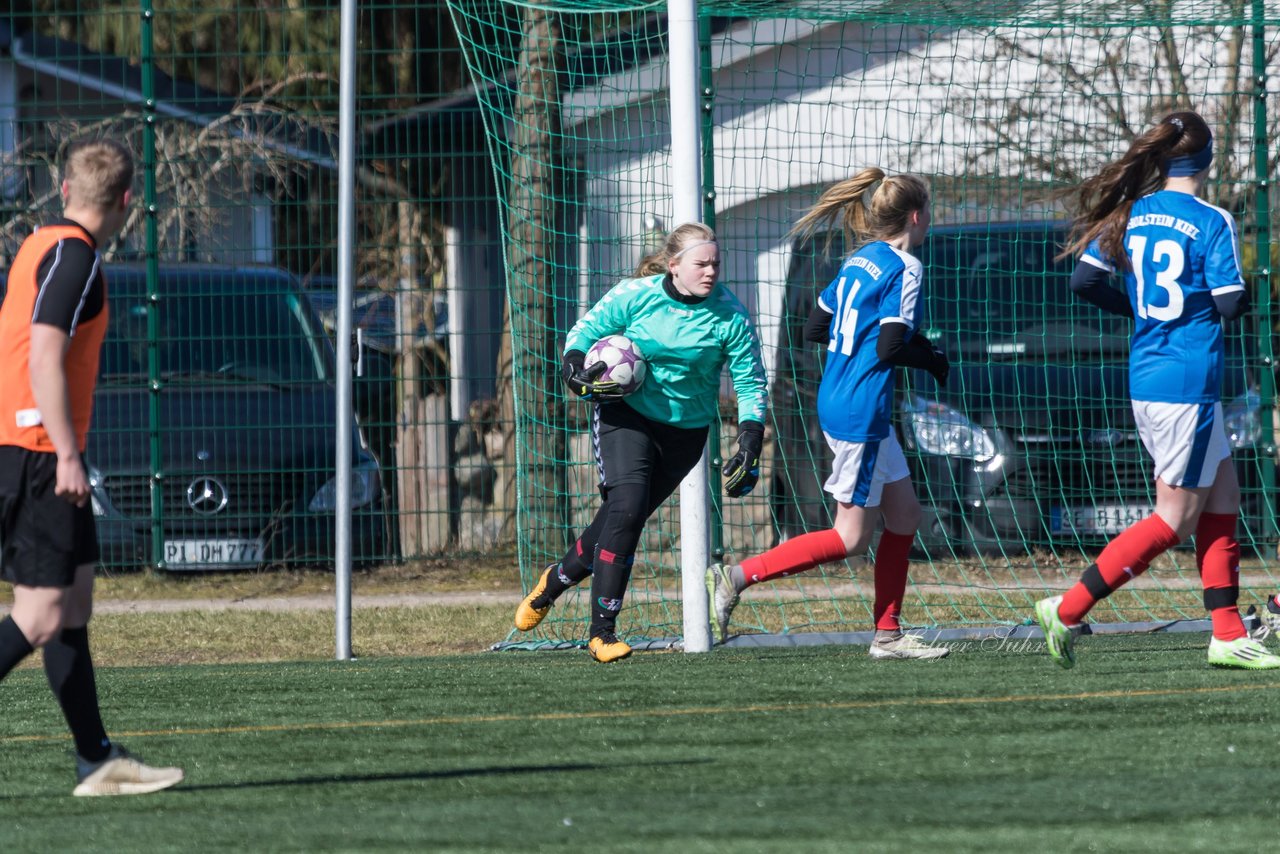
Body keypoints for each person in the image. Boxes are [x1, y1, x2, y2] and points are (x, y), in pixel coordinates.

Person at [1034, 110, 1280, 670]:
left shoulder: (1130, 214)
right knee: (1174, 520)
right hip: (1187, 379)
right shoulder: (1212, 219)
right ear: (1208, 158)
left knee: (1223, 502)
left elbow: (1084, 281)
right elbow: (1228, 302)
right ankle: (1067, 607)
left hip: (1151, 374)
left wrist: (1141, 312)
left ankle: (1225, 633)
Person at [0, 138, 186, 794]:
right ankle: (96, 757)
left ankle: (96, 758)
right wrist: (69, 454)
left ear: (63, 189)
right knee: (42, 613)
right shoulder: (74, 256)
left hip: (37, 450)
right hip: (40, 455)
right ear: (129, 201)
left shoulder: (40, 243)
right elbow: (44, 356)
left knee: (73, 605)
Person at [704, 167, 950, 660]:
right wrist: (934, 359)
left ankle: (888, 635)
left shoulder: (859, 260)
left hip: (846, 399)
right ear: (918, 216)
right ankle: (735, 577)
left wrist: (852, 354)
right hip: (861, 408)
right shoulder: (907, 266)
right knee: (851, 537)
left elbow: (817, 326)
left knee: (904, 516)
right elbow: (891, 344)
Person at [513, 222, 768, 662]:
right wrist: (574, 365)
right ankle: (602, 633)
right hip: (624, 415)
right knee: (627, 509)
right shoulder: (636, 296)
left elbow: (750, 380)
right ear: (674, 266)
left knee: (617, 519)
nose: (710, 272)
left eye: (716, 264)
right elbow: (585, 330)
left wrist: (749, 437)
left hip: (686, 433)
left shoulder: (731, 315)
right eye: (701, 264)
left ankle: (554, 581)